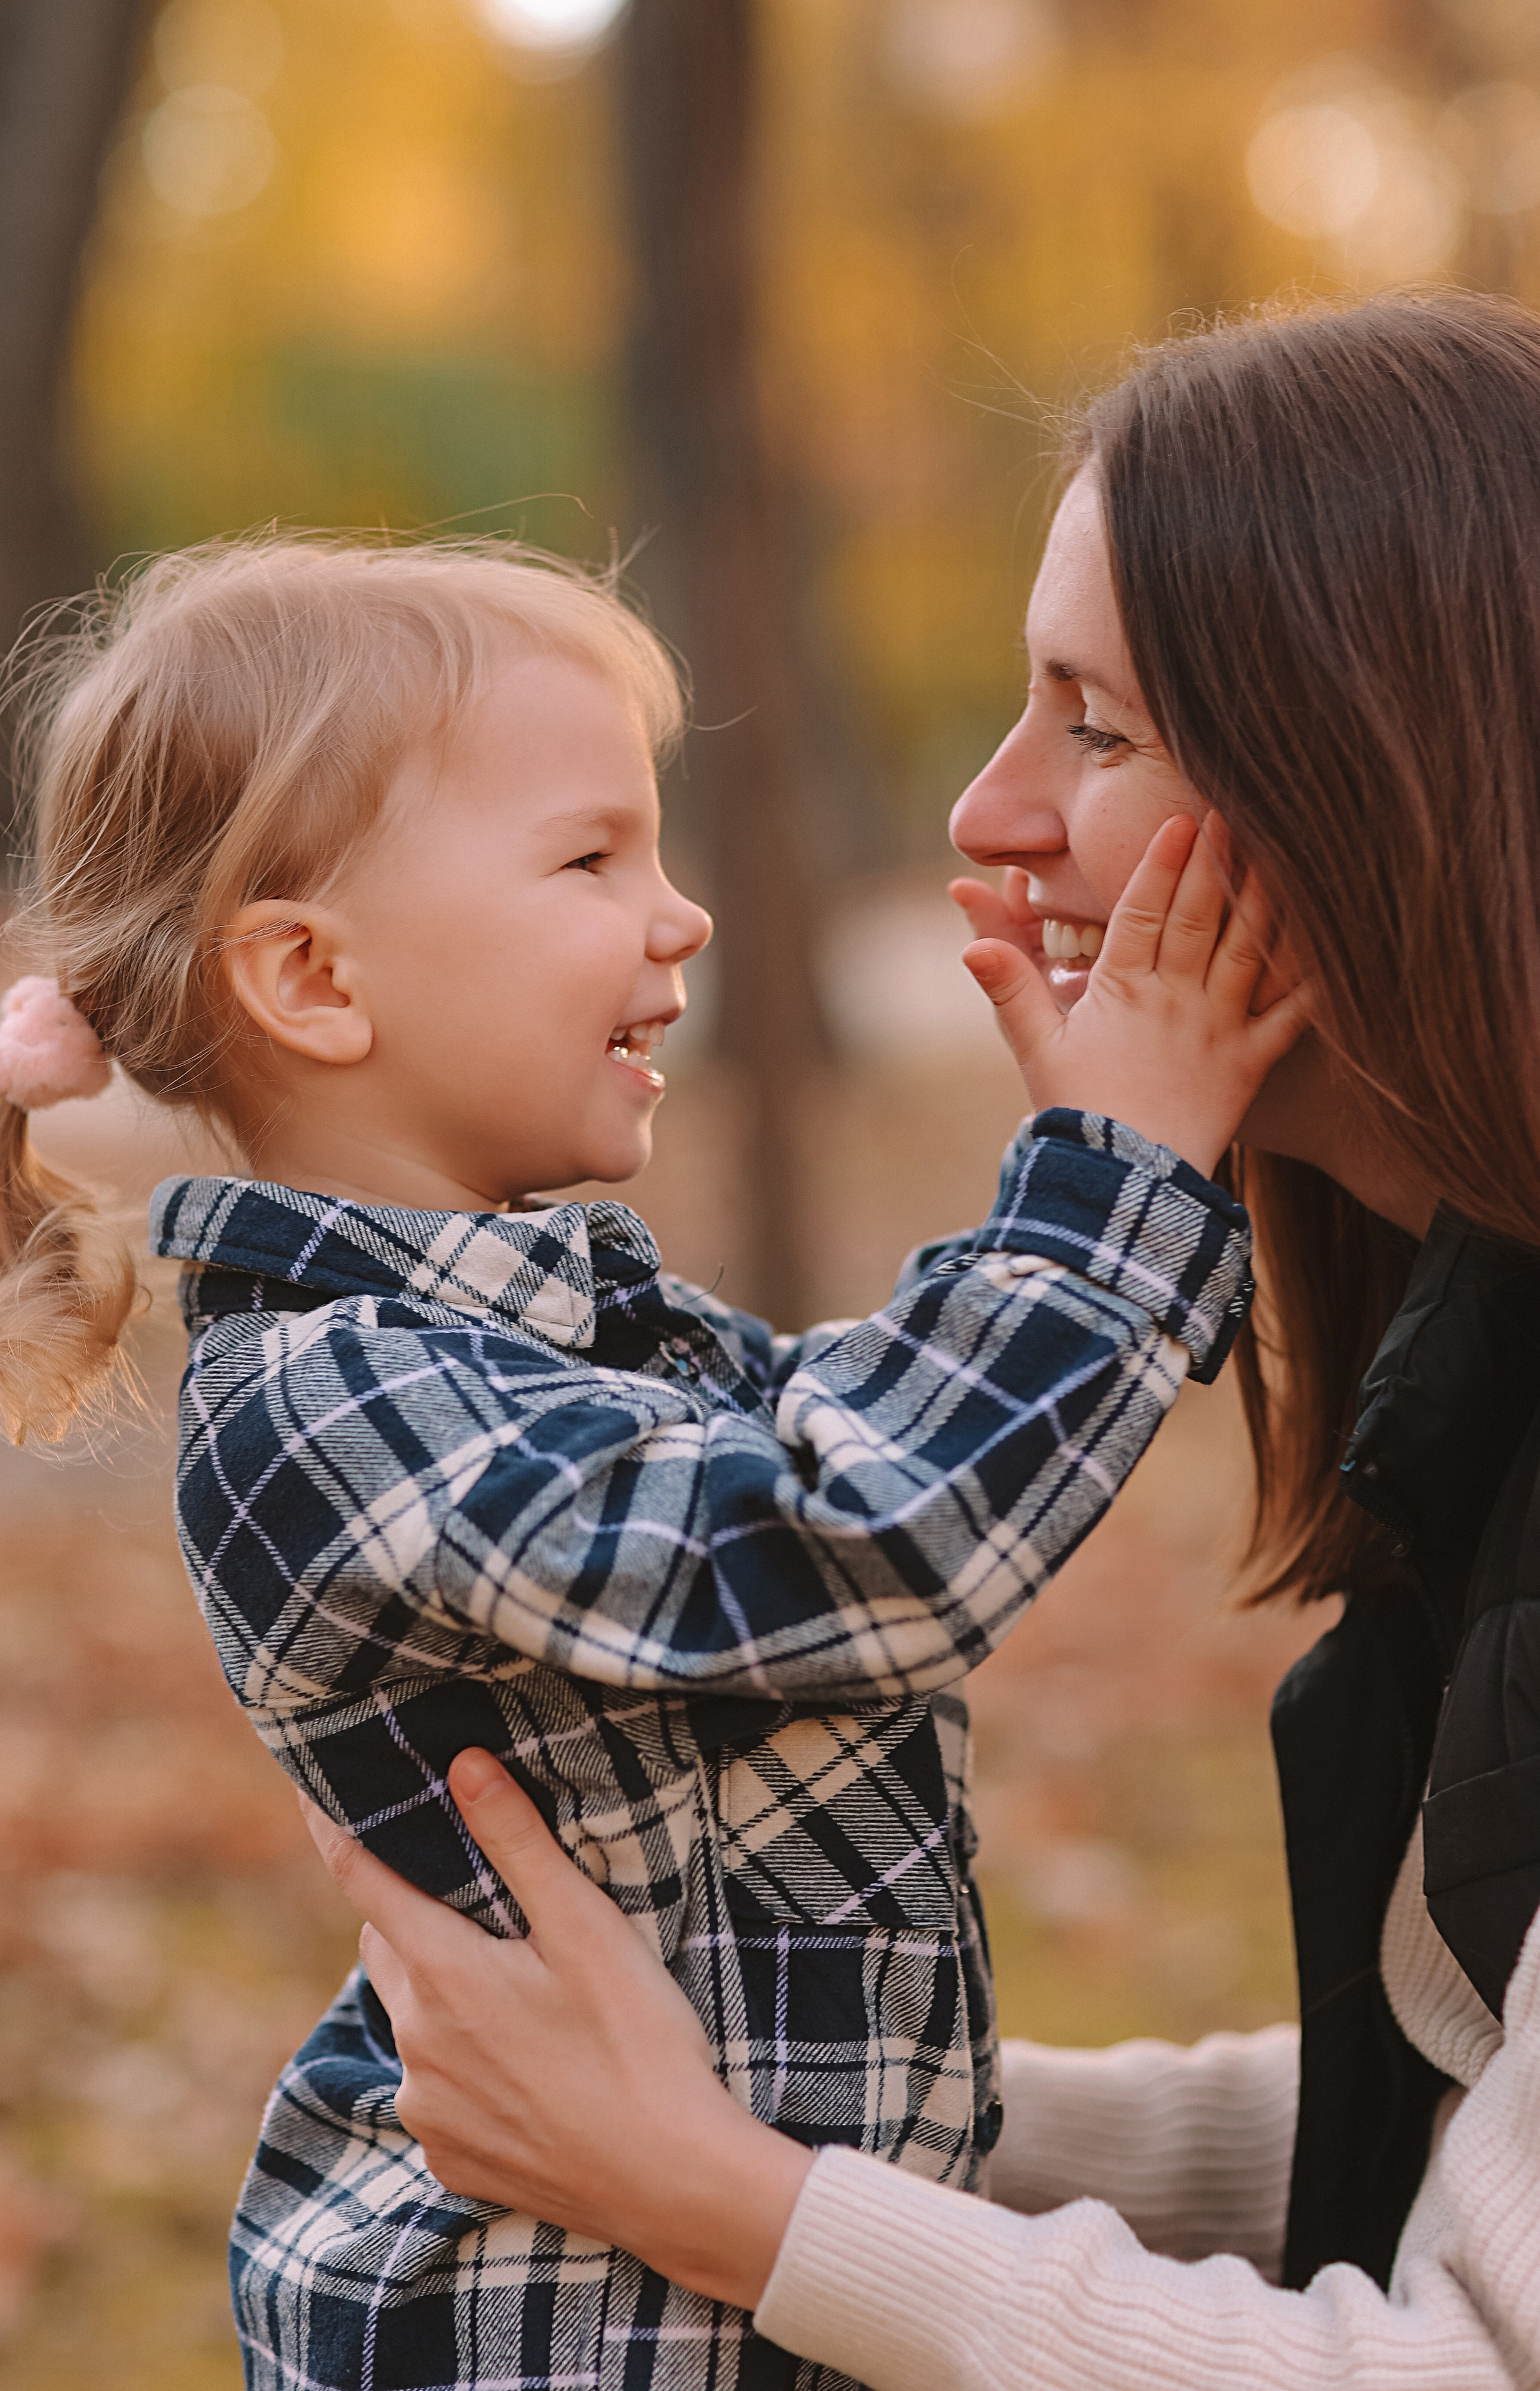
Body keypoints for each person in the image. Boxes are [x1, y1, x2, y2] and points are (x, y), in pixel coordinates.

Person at [304, 289, 1540, 2391]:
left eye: (1098, 722)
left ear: (1383, 768)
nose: (988, 816)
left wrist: (725, 2192)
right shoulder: (1485, 1352)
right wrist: (728, 2090)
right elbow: (1454, 2097)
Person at [0, 535, 1296, 2391]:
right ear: (316, 979)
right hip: (554, 2346)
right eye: (592, 859)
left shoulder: (544, 1334)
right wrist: (1114, 1193)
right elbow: (865, 1543)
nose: (684, 918)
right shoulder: (330, 1406)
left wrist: (1085, 1165)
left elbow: (856, 1427)